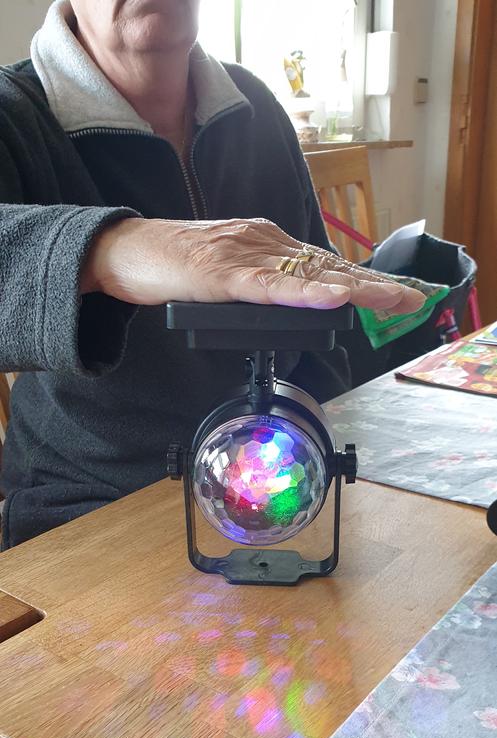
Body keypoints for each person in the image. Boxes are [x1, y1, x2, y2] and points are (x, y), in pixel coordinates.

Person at [0, 0, 424, 554]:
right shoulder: (15, 113)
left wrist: (319, 440)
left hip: (280, 493)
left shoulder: (254, 104)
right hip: (93, 509)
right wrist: (111, 248)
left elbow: (322, 312)